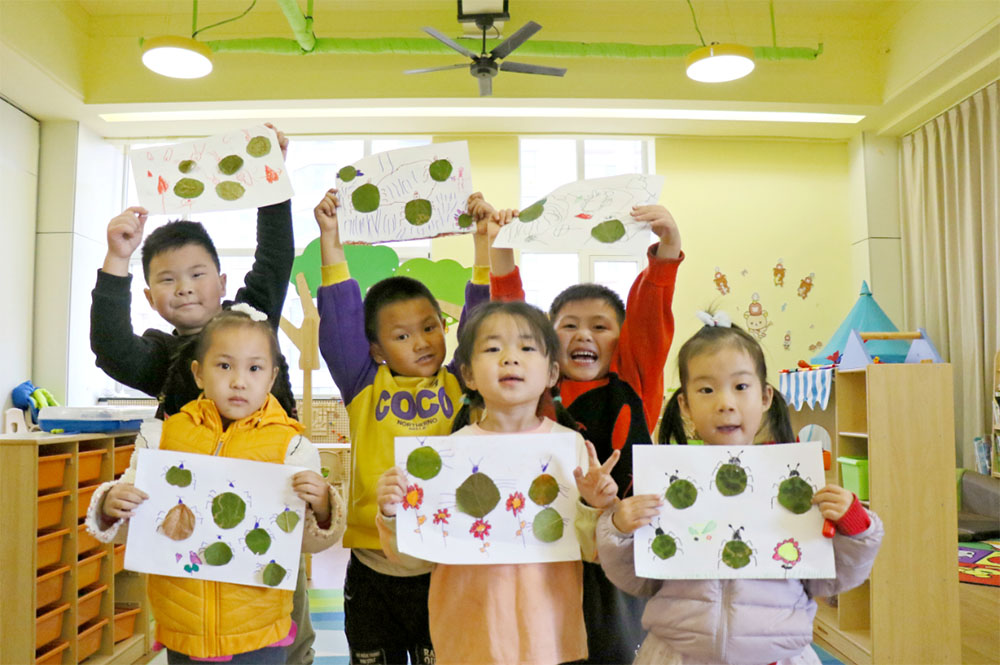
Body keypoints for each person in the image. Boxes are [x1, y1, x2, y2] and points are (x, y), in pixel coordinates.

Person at [89, 126, 321, 665]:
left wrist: (272, 181)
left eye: (197, 274)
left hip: (269, 519)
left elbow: (275, 257)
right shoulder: (163, 357)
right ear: (150, 297)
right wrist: (116, 259)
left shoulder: (252, 318)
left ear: (222, 280)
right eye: (167, 280)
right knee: (193, 632)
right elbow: (110, 347)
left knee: (287, 632)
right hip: (190, 530)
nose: (185, 287)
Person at [596, 314, 883, 665]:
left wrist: (854, 526)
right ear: (684, 404)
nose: (725, 402)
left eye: (741, 387)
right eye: (706, 389)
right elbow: (636, 581)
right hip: (679, 655)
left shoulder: (794, 488)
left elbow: (831, 579)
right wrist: (621, 530)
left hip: (777, 656)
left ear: (765, 397)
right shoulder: (668, 487)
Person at [470, 192, 684, 663]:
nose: (584, 335)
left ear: (620, 341)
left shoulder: (633, 378)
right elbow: (512, 315)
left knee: (610, 650)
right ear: (547, 342)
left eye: (600, 327)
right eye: (568, 326)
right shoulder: (535, 390)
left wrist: (667, 250)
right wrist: (501, 243)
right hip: (547, 547)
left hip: (617, 550)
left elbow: (651, 315)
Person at [86, 307, 345, 664]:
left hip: (258, 628)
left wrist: (324, 508)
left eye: (254, 368)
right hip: (182, 625)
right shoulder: (165, 436)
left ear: (271, 379)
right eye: (224, 366)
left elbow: (306, 543)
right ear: (198, 373)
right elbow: (132, 525)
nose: (239, 381)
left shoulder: (292, 448)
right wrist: (109, 504)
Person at [313, 188, 502, 664]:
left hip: (445, 564)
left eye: (431, 326)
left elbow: (483, 322)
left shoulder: (463, 380)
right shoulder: (364, 383)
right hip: (373, 569)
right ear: (376, 349)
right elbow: (338, 321)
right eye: (401, 335)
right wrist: (331, 239)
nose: (422, 342)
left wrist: (483, 247)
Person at [375, 300, 620, 665]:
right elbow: (413, 560)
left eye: (526, 347)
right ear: (469, 375)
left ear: (552, 372)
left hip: (549, 640)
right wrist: (393, 514)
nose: (510, 358)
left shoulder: (571, 448)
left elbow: (594, 551)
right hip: (468, 640)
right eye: (492, 349)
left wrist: (598, 505)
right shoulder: (446, 456)